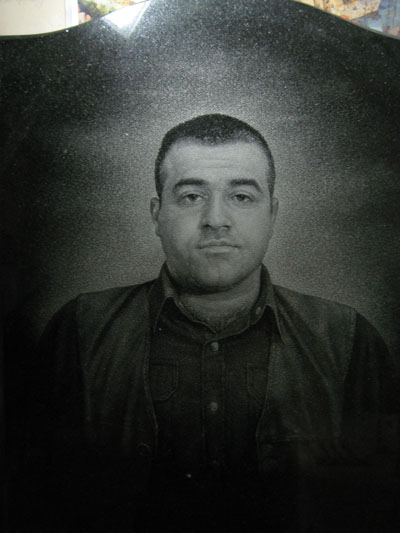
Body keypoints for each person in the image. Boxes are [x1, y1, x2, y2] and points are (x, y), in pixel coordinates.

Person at [12, 114, 397, 532]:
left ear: (272, 213)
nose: (216, 219)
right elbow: (31, 503)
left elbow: (377, 509)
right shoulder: (79, 331)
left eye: (242, 197)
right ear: (157, 214)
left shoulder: (348, 340)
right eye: (192, 196)